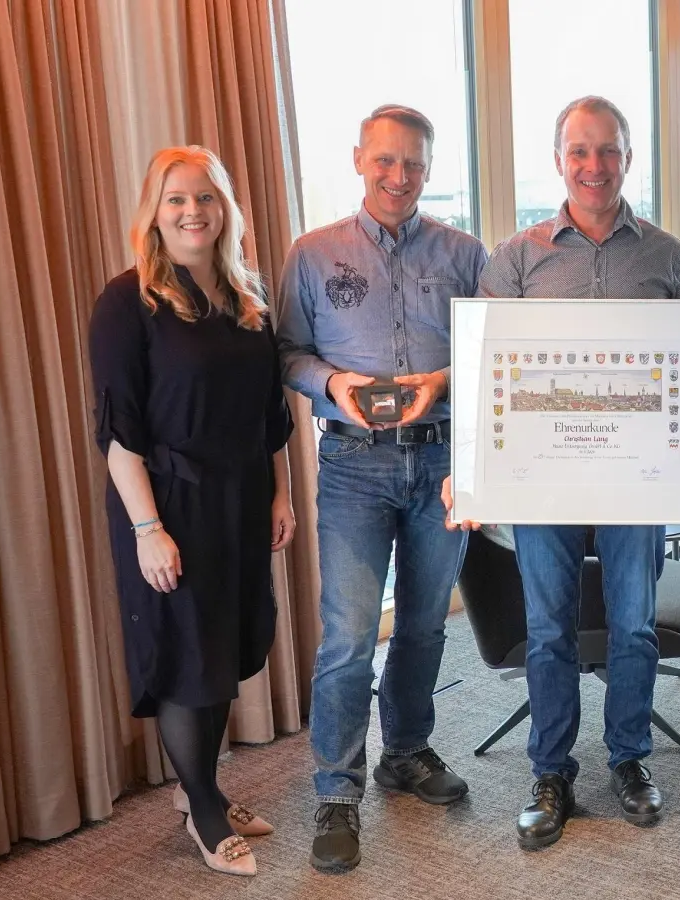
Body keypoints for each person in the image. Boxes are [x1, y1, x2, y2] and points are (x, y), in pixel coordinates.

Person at [475, 95, 680, 852]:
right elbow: (487, 372)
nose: (594, 166)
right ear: (559, 159)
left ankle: (630, 760)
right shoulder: (518, 256)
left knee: (634, 625)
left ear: (628, 157)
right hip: (546, 479)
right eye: (579, 151)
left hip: (639, 476)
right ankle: (551, 772)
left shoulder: (664, 254)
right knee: (547, 631)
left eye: (608, 150)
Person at [275, 104, 489, 874]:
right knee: (349, 638)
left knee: (427, 625)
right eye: (385, 161)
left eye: (414, 164)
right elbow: (288, 354)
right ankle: (337, 791)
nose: (399, 177)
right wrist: (334, 381)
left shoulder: (466, 254)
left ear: (429, 170)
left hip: (439, 463)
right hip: (355, 465)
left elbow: (492, 353)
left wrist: (440, 381)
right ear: (360, 158)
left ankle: (407, 750)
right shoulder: (311, 253)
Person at [88, 145, 295, 877]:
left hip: (239, 498)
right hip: (169, 502)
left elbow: (271, 414)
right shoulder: (129, 301)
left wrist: (280, 492)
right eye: (176, 199)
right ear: (154, 211)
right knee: (186, 659)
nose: (192, 212)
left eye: (205, 198)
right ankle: (205, 809)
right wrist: (148, 530)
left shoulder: (246, 296)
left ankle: (198, 785)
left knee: (228, 646)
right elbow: (118, 432)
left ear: (225, 210)